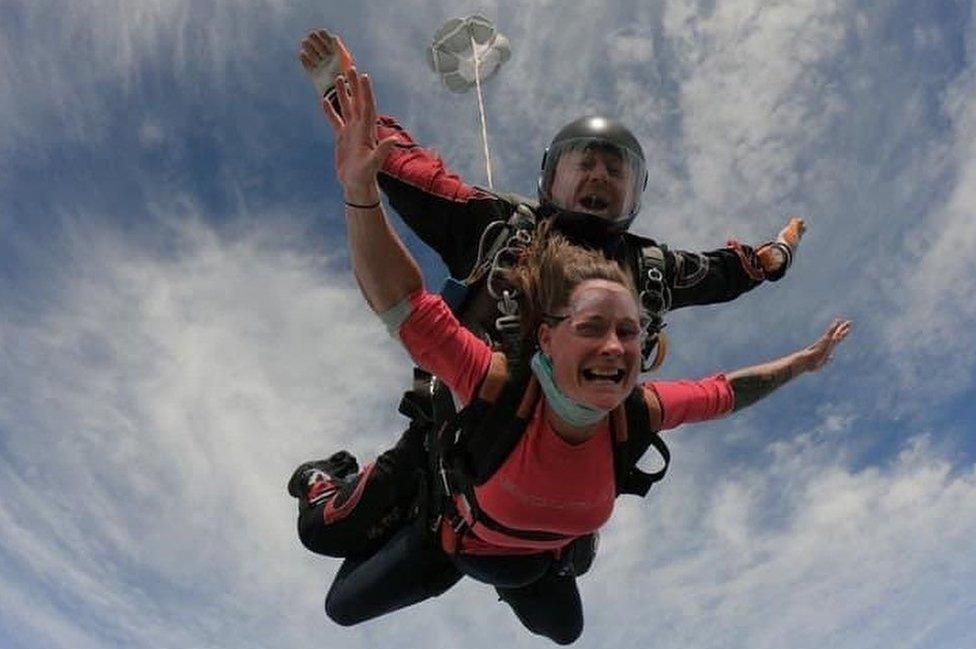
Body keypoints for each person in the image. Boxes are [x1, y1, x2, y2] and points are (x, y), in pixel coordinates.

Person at [299, 66, 851, 645]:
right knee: (326, 537)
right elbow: (408, 178)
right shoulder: (498, 229)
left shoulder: (651, 272)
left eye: (616, 170)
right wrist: (350, 109)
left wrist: (776, 254)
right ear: (550, 178)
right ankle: (331, 481)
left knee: (565, 620)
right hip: (455, 435)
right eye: (583, 163)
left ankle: (524, 548)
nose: (599, 176)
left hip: (538, 499)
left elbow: (725, 275)